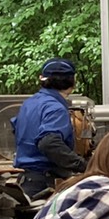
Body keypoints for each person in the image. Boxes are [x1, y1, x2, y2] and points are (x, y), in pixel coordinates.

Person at [11, 58, 86, 198]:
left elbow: (18, 131)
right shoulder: (56, 108)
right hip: (45, 184)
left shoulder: (29, 103)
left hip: (26, 180)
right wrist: (83, 165)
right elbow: (48, 143)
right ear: (72, 82)